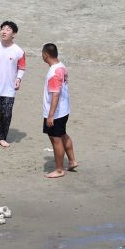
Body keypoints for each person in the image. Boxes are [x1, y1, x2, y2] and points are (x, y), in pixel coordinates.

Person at [41, 43, 77, 179]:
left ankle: (59, 169)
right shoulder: (62, 66)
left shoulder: (53, 73)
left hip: (56, 113)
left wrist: (50, 115)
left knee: (56, 140)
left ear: (46, 55)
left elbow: (55, 94)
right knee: (63, 135)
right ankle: (72, 161)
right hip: (64, 110)